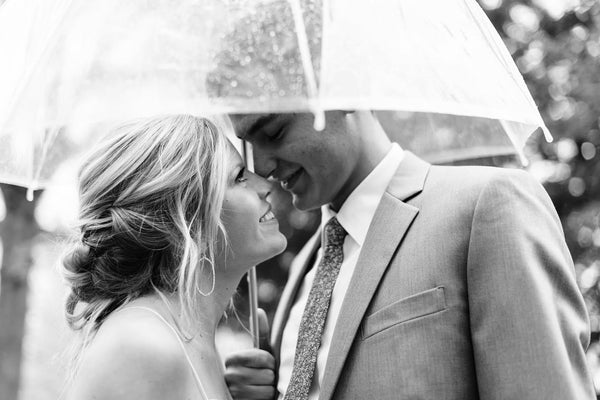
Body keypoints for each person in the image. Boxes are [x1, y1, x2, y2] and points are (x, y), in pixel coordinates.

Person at [223, 110, 596, 399]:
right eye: (248, 144)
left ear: (345, 86)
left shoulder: (488, 205)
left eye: (274, 133)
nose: (261, 167)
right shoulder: (303, 268)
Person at [61, 114, 287, 400]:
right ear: (187, 221)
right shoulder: (142, 347)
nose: (265, 185)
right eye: (239, 177)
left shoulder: (192, 342)